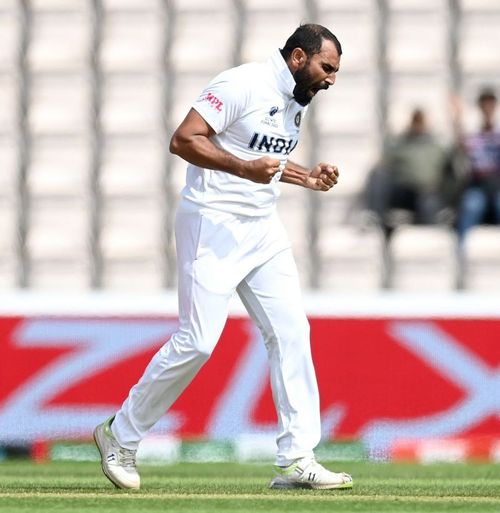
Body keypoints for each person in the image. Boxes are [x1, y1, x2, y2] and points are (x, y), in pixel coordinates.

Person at [93, 24, 353, 491]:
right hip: (211, 224)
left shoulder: (296, 99)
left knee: (292, 330)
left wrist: (306, 177)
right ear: (298, 57)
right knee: (197, 342)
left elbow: (262, 162)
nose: (331, 79)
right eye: (326, 68)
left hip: (262, 229)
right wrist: (242, 169)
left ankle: (296, 459)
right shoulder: (242, 84)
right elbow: (184, 140)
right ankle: (120, 434)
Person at [365, 108, 448, 237]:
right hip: (404, 190)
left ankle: (427, 240)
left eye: (420, 121)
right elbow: (385, 160)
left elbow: (449, 167)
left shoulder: (437, 145)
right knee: (379, 176)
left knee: (429, 202)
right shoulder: (401, 142)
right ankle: (378, 222)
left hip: (427, 192)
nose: (418, 125)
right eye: (416, 121)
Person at [455, 88, 500, 246]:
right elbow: (462, 148)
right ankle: (460, 252)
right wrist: (457, 120)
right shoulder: (474, 134)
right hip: (478, 186)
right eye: (484, 105)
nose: (487, 109)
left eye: (490, 105)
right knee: (470, 206)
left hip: (497, 186)